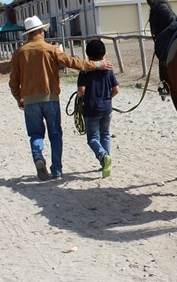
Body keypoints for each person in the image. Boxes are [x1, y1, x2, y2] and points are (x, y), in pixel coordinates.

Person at [9, 15, 113, 181]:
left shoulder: (19, 53)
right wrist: (97, 65)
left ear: (28, 34)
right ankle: (56, 170)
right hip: (50, 97)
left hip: (29, 100)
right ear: (41, 31)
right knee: (55, 134)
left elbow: (13, 81)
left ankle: (38, 157)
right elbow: (72, 63)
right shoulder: (52, 49)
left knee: (35, 134)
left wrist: (18, 98)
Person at [76, 39, 119, 178]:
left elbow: (81, 90)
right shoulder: (108, 69)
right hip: (107, 108)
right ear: (103, 54)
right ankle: (107, 163)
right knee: (105, 134)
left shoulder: (85, 71)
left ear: (88, 55)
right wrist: (107, 99)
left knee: (92, 138)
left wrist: (78, 97)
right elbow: (116, 90)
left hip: (91, 109)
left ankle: (103, 157)